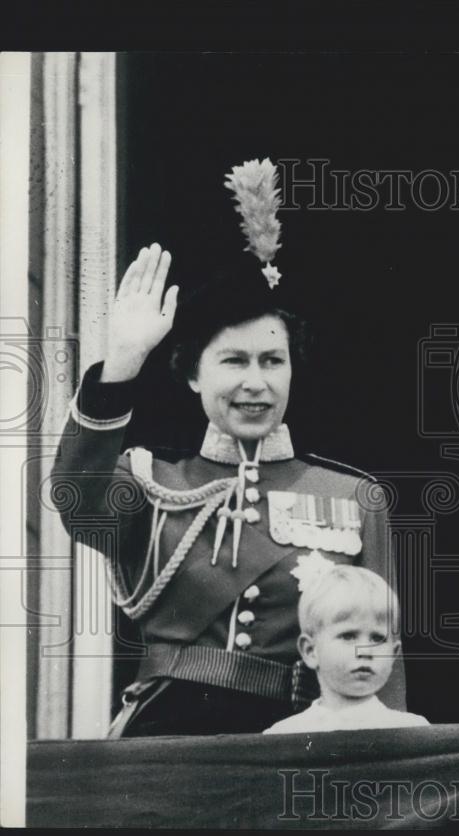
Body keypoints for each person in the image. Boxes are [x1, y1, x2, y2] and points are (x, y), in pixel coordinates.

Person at [50, 237, 407, 736]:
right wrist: (122, 364)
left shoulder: (353, 498)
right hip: (166, 737)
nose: (256, 382)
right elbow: (76, 501)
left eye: (272, 360)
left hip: (297, 738)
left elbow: (380, 655)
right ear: (193, 374)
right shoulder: (152, 483)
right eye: (234, 361)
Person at [263, 565, 428, 733]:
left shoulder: (412, 730)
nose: (365, 651)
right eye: (348, 636)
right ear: (310, 651)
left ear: (394, 654)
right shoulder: (285, 734)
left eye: (377, 638)